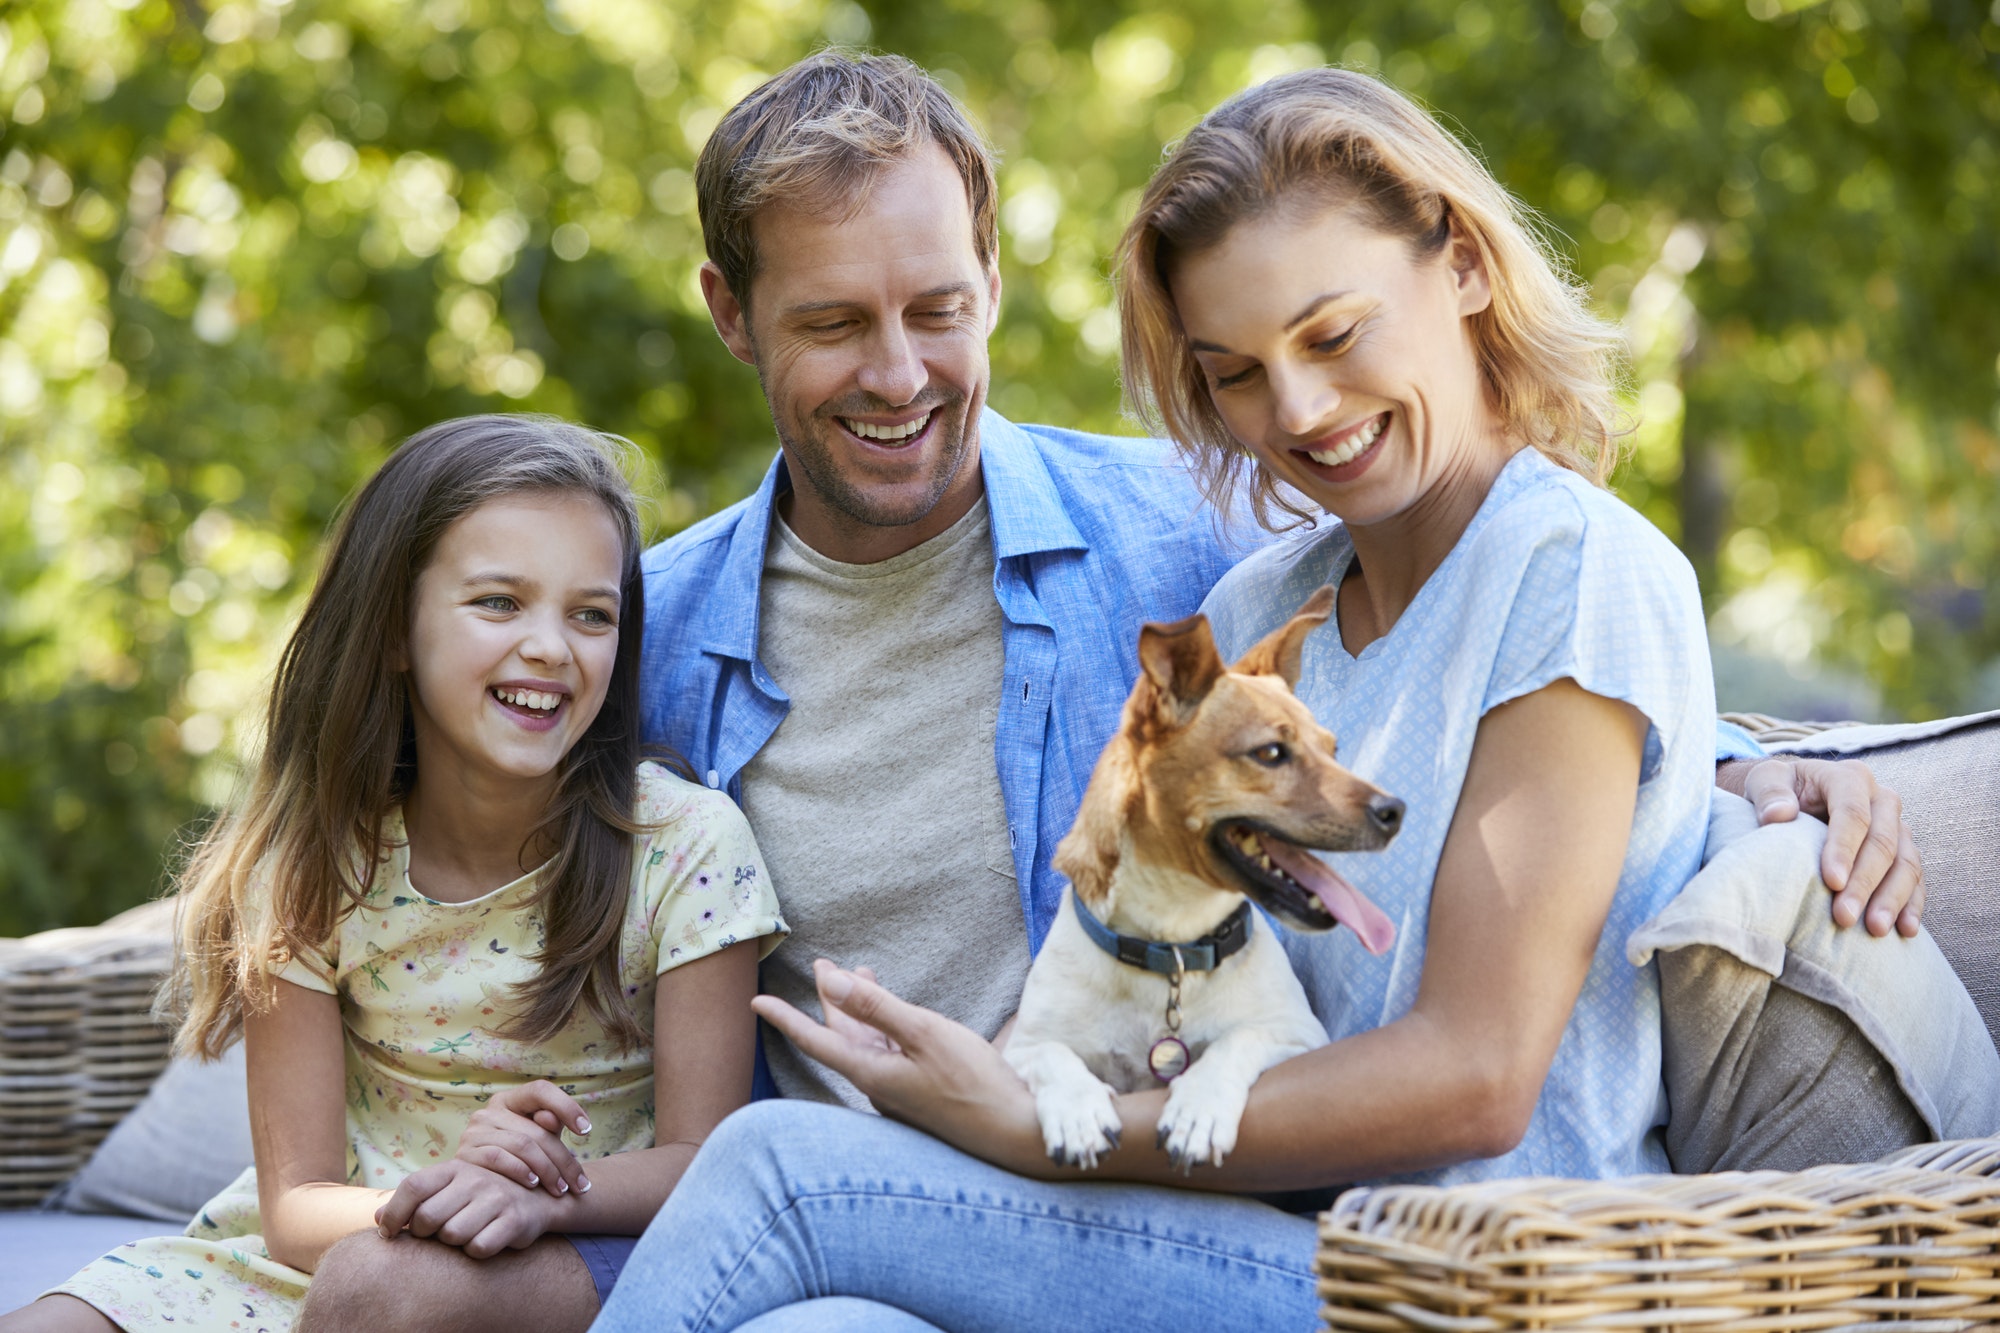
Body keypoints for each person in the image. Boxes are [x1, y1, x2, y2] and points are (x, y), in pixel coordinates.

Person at [593, 66, 1928, 1333]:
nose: (1297, 407)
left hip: (1479, 1279)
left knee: (783, 1171)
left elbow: (1480, 1070)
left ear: (1462, 262)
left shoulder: (1568, 562)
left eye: (1335, 334)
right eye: (1232, 373)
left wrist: (1023, 1118)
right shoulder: (1260, 599)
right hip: (1259, 1234)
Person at [1, 417, 786, 1333]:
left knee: (383, 1294)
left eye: (591, 613)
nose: (550, 646)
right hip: (346, 1238)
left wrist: (536, 1192)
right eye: (499, 601)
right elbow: (296, 1207)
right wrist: (440, 1195)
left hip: (574, 1245)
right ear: (393, 632)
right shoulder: (314, 861)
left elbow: (704, 1159)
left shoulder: (684, 846)